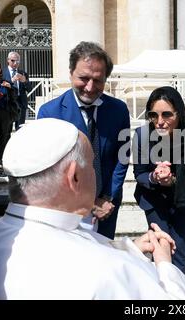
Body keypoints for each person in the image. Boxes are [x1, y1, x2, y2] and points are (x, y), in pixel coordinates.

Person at [0, 118, 185, 300]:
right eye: (92, 165)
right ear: (74, 177)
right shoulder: (105, 271)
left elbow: (68, 245)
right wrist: (164, 262)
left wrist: (130, 247)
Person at [37, 41, 130, 240]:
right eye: (83, 78)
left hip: (106, 205)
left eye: (98, 80)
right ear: (71, 73)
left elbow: (122, 156)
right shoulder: (49, 113)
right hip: (66, 209)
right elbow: (49, 168)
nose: (90, 87)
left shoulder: (119, 110)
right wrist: (81, 203)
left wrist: (107, 197)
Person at [133, 86, 185, 275]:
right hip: (153, 199)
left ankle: (179, 295)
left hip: (184, 201)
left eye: (167, 115)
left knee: (180, 248)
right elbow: (140, 173)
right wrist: (155, 177)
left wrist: (174, 181)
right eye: (153, 115)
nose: (160, 122)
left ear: (179, 113)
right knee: (160, 245)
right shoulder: (141, 135)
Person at [2, 52, 32, 131]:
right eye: (13, 61)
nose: (15, 63)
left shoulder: (23, 73)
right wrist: (11, 81)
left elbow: (29, 89)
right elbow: (0, 87)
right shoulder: (2, 73)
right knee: (7, 129)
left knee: (20, 129)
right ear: (8, 60)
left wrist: (25, 81)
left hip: (21, 102)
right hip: (8, 102)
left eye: (17, 61)